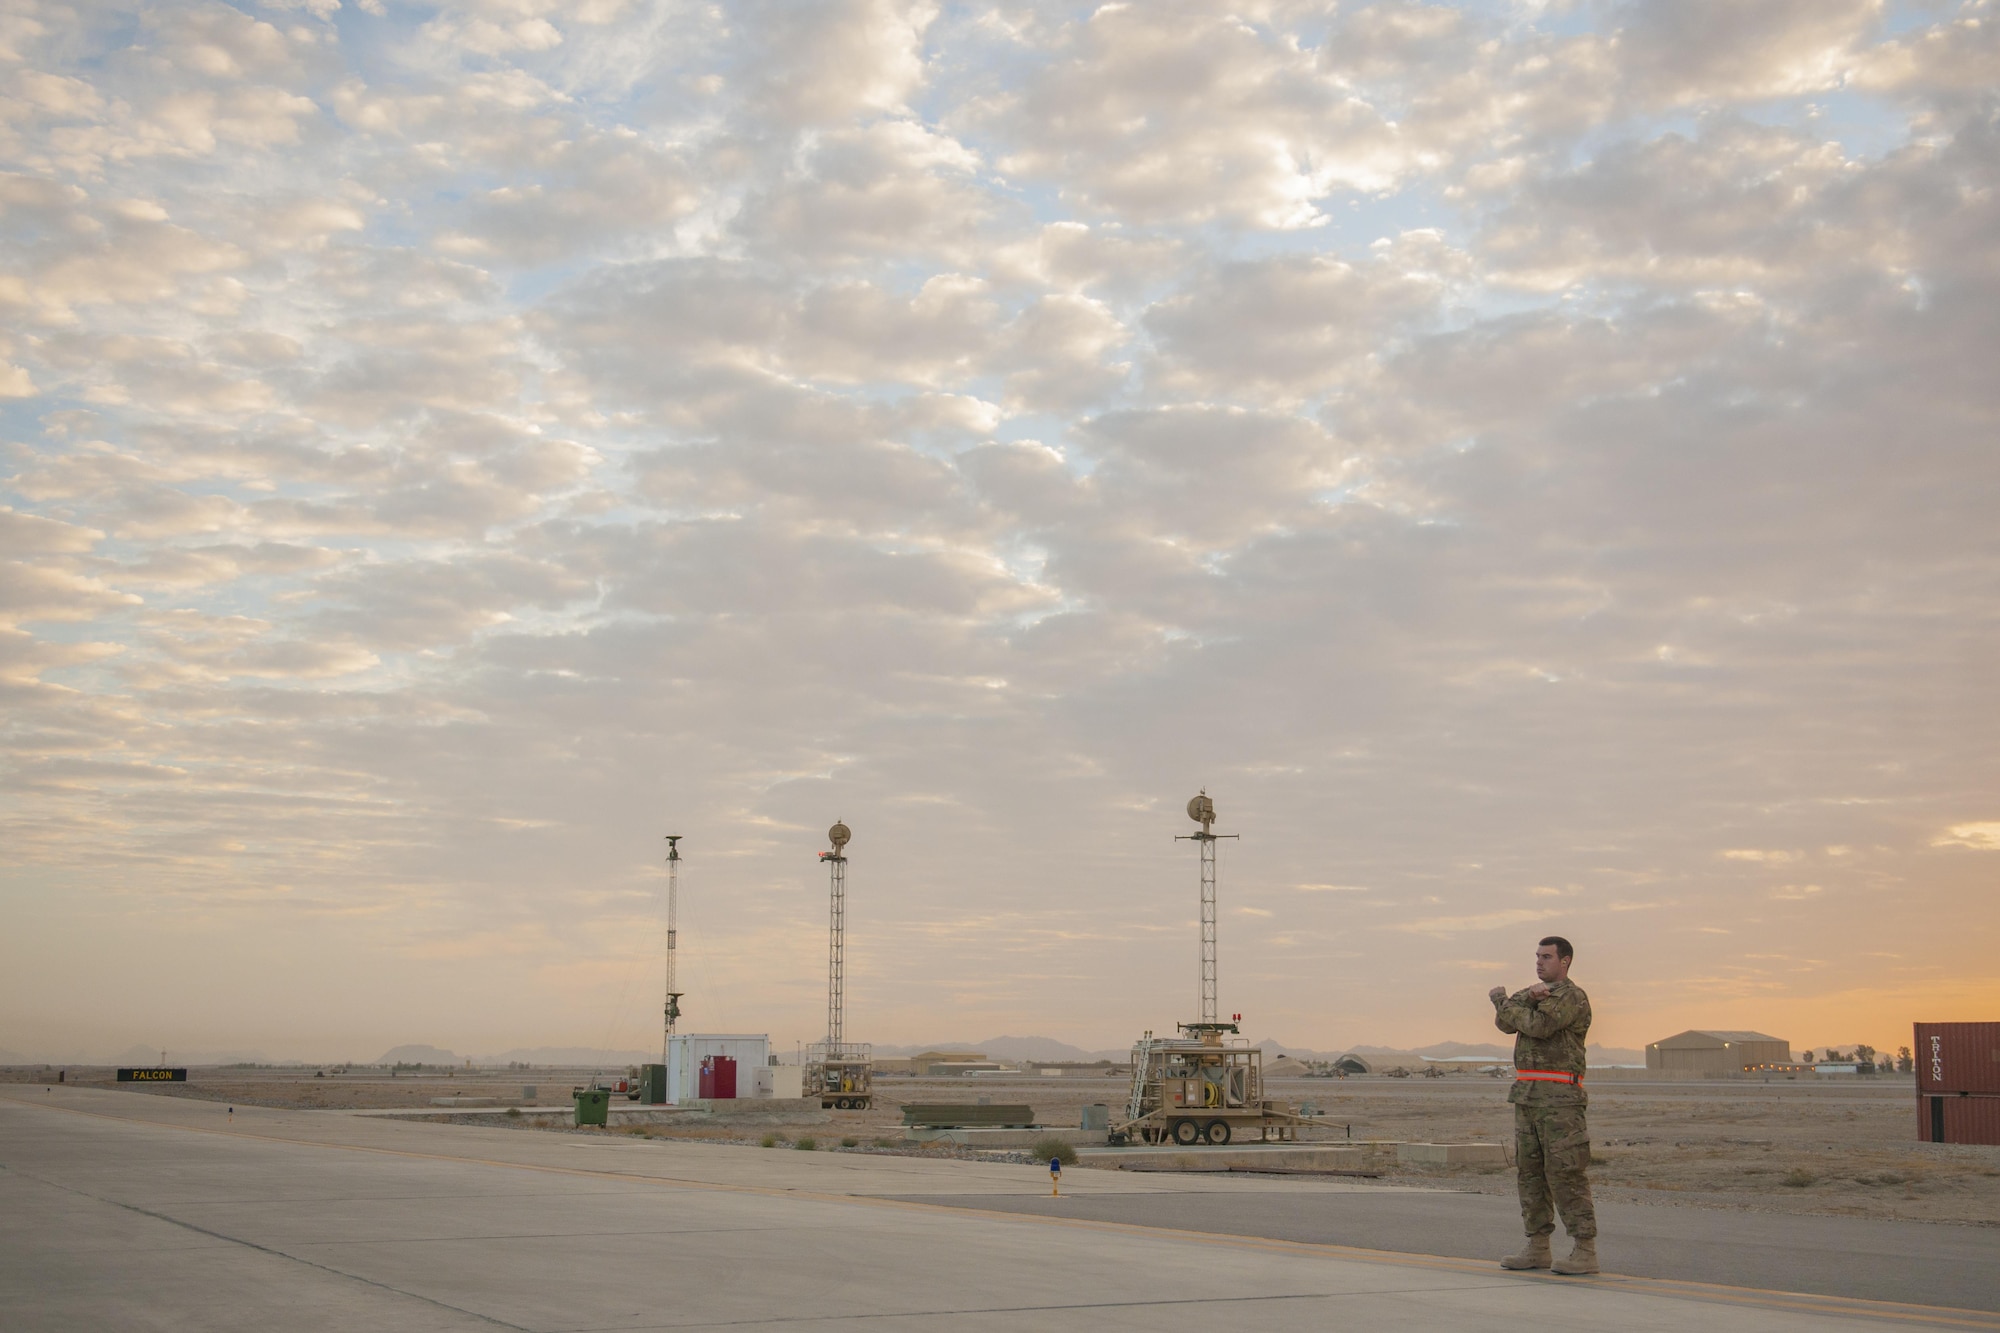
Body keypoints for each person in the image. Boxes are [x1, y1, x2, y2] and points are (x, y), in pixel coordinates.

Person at [1488, 935, 1597, 1275]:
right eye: (1537, 956)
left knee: (1565, 1173)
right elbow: (1505, 1024)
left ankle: (1585, 1249)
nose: (1539, 962)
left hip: (1561, 1102)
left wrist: (1503, 1000)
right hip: (1529, 1098)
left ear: (1564, 961)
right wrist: (1520, 1003)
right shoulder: (1534, 995)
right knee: (1530, 1174)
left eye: (1547, 956)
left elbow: (1539, 1026)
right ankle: (1538, 1246)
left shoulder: (1572, 997)